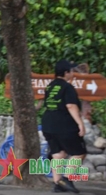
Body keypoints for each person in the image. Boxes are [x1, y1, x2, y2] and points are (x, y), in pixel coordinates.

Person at [41, 59, 86, 194]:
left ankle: (57, 183)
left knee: (58, 154)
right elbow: (70, 106)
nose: (72, 73)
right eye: (71, 71)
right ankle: (66, 179)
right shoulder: (67, 87)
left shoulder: (50, 86)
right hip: (63, 124)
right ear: (66, 73)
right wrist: (80, 123)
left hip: (48, 123)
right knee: (79, 153)